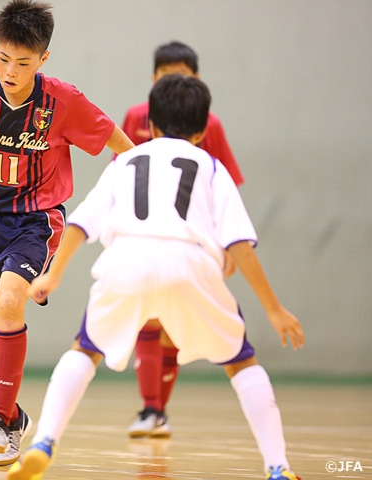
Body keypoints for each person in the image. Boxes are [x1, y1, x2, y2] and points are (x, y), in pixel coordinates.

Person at [7, 74, 304, 480]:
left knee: (84, 351)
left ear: (150, 125)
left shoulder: (126, 161)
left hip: (126, 259)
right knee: (242, 363)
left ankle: (44, 441)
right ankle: (278, 466)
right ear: (201, 131)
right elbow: (238, 244)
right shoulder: (210, 166)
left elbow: (80, 222)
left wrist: (52, 275)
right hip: (190, 263)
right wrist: (273, 308)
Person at [0, 0, 134, 468]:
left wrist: (143, 174)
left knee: (9, 303)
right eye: (4, 59)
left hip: (36, 220)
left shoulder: (62, 101)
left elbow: (115, 139)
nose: (11, 71)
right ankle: (12, 420)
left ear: (43, 59)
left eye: (23, 63)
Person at [121, 41, 245, 438]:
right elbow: (121, 176)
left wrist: (227, 243)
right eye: (166, 75)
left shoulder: (210, 124)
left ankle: (157, 409)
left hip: (192, 240)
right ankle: (151, 408)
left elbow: (227, 186)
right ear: (153, 79)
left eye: (182, 75)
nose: (174, 82)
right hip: (144, 235)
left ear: (197, 80)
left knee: (174, 324)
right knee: (147, 316)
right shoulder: (137, 117)